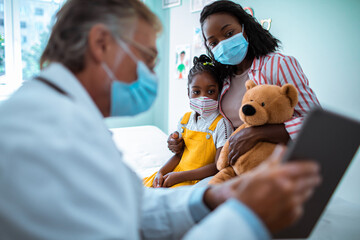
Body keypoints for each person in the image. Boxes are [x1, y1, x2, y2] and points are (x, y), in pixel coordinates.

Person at [0, 0, 321, 239]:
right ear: (101, 45)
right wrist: (245, 218)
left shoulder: (65, 119)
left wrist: (211, 196)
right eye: (148, 59)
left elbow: (131, 207)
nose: (153, 75)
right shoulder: (38, 137)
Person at [168, 0, 321, 167]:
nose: (223, 45)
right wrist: (180, 140)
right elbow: (213, 124)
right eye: (213, 43)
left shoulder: (278, 65)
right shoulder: (222, 79)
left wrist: (256, 134)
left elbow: (315, 123)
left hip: (274, 164)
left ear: (245, 28)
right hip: (233, 166)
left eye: (228, 33)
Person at [144, 55, 233, 188]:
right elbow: (179, 156)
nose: (203, 97)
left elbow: (217, 166)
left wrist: (180, 177)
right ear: (188, 93)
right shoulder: (185, 120)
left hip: (196, 180)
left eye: (210, 91)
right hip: (177, 173)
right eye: (196, 92)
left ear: (219, 92)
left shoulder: (221, 124)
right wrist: (161, 172)